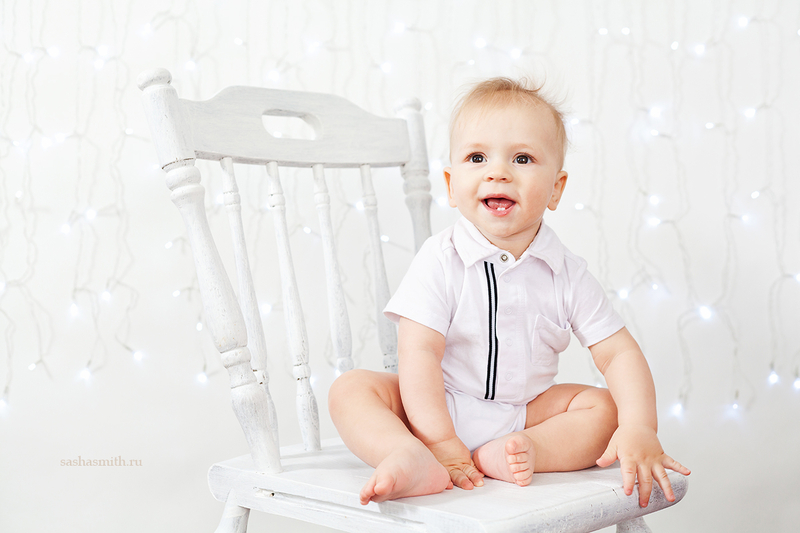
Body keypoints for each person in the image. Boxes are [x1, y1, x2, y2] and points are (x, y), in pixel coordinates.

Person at [328, 77, 690, 508]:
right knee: (351, 389)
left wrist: (639, 426)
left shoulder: (567, 272)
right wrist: (440, 439)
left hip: (526, 414)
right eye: (477, 157)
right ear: (451, 184)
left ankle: (524, 451)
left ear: (556, 188)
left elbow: (618, 354)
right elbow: (418, 352)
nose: (497, 172)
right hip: (437, 405)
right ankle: (408, 453)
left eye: (522, 158)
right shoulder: (441, 259)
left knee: (605, 407)